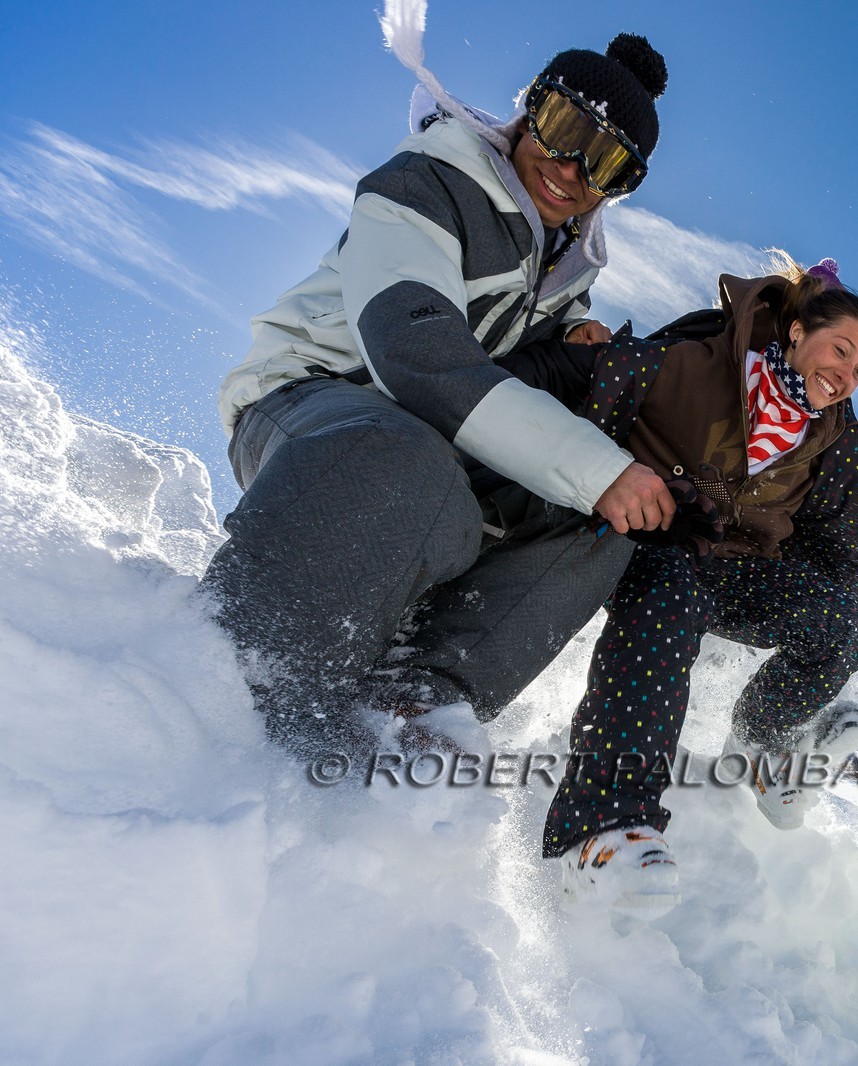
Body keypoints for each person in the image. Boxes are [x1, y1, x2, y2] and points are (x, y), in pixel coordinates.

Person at [202, 32, 676, 754]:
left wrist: (579, 333)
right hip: (314, 404)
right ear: (531, 110)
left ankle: (415, 704)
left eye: (606, 162)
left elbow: (521, 318)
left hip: (427, 446)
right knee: (430, 475)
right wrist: (594, 466)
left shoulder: (567, 263)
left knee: (605, 522)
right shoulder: (426, 184)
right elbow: (414, 355)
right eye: (566, 127)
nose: (572, 168)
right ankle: (240, 674)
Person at [541, 256, 858, 913]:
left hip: (735, 566)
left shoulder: (836, 438)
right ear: (796, 330)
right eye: (841, 351)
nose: (848, 375)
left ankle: (759, 740)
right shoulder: (708, 359)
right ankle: (601, 827)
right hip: (647, 537)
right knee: (669, 600)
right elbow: (590, 380)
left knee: (836, 628)